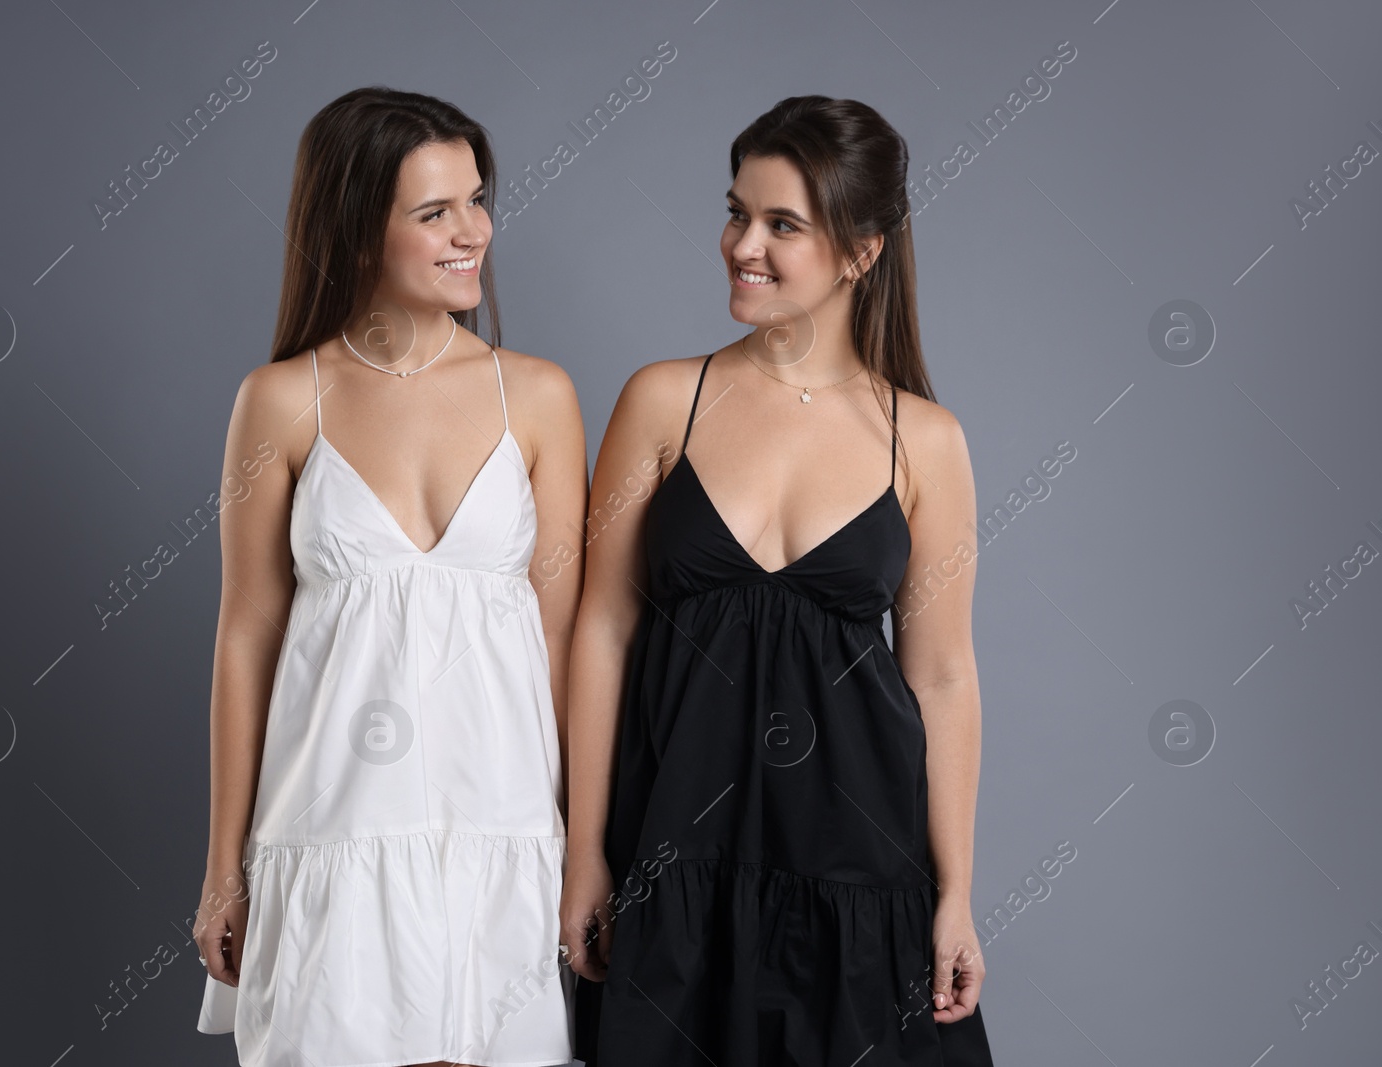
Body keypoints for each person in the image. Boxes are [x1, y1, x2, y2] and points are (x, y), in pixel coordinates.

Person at [561, 96, 995, 1065]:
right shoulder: (662, 400)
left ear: (861, 251)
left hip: (856, 866)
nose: (739, 243)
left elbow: (941, 676)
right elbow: (600, 630)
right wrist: (582, 845)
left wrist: (956, 888)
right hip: (672, 855)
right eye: (735, 212)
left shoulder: (924, 441)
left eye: (780, 225)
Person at [192, 86, 588, 1067]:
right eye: (434, 211)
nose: (474, 231)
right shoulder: (280, 400)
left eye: (476, 198)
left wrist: (584, 846)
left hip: (500, 822)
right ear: (359, 231)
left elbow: (563, 636)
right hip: (332, 823)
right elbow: (246, 633)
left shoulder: (537, 395)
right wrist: (220, 866)